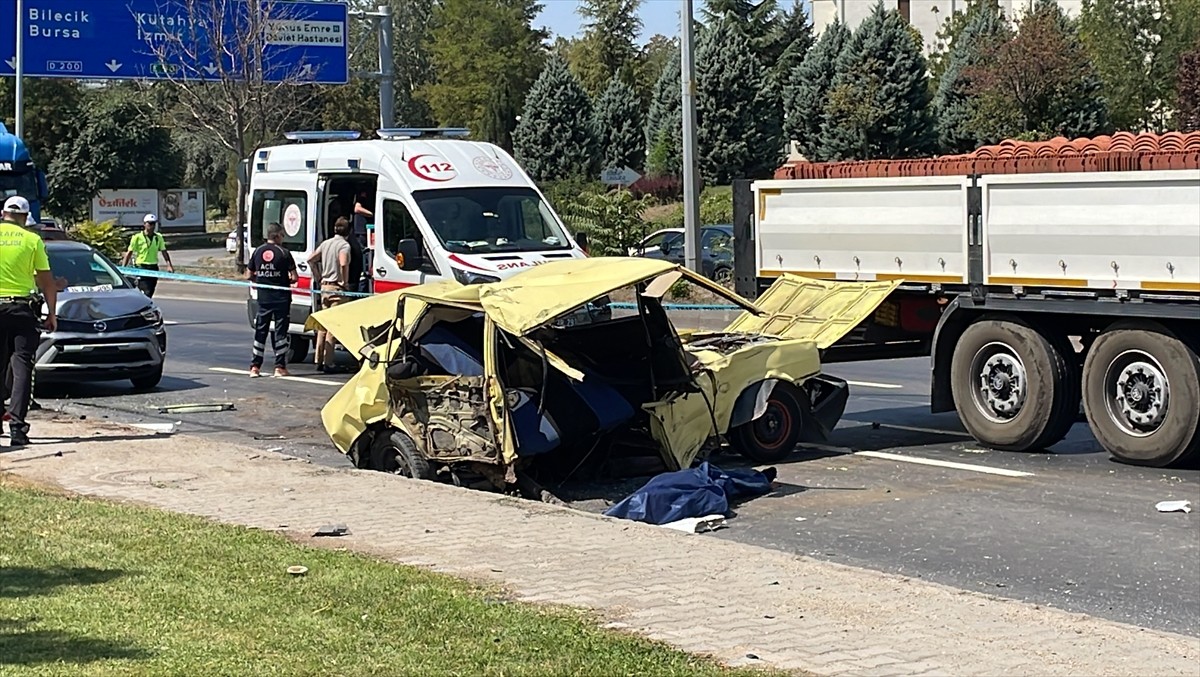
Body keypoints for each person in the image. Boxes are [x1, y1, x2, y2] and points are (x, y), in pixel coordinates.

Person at [0, 196, 57, 448]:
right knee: (21, 366)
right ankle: (17, 429)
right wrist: (51, 314)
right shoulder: (32, 240)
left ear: (3, 214)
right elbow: (46, 282)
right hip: (21, 309)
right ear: (24, 217)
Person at [246, 223, 298, 378]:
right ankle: (280, 367)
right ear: (276, 236)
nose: (283, 238)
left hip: (264, 298)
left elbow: (248, 275)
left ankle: (255, 367)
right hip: (281, 299)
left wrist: (261, 280)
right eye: (282, 235)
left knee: (260, 332)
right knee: (280, 333)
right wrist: (283, 280)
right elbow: (294, 277)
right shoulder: (284, 253)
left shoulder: (257, 251)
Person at [307, 218, 352, 373]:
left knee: (323, 325)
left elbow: (311, 259)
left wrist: (318, 277)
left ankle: (318, 359)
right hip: (336, 289)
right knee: (334, 326)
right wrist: (344, 281)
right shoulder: (344, 245)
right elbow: (343, 263)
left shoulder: (326, 243)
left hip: (324, 288)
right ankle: (329, 362)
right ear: (348, 231)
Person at [122, 214, 174, 298]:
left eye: (153, 224)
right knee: (146, 290)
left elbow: (164, 252)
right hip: (141, 267)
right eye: (150, 223)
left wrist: (169, 265)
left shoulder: (158, 237)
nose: (152, 226)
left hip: (153, 267)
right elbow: (129, 253)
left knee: (150, 290)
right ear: (144, 224)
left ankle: (143, 303)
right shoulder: (137, 237)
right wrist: (123, 268)